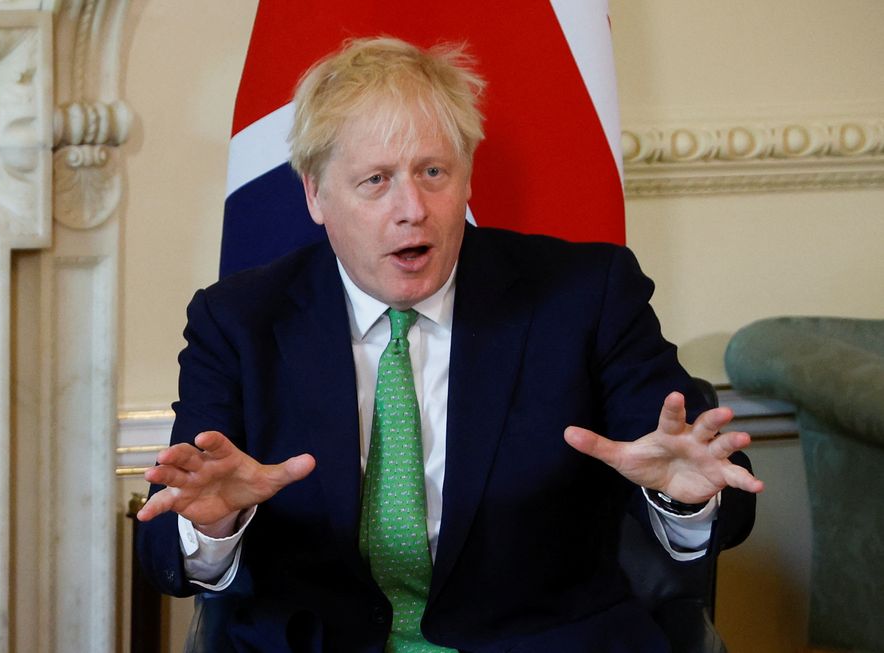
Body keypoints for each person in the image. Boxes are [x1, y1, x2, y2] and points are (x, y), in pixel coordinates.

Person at [137, 37, 763, 652]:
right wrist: (211, 523)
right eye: (376, 181)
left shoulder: (585, 296)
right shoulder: (240, 321)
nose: (413, 208)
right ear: (315, 194)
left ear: (466, 177)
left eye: (433, 171)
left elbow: (710, 488)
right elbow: (165, 550)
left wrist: (683, 498)